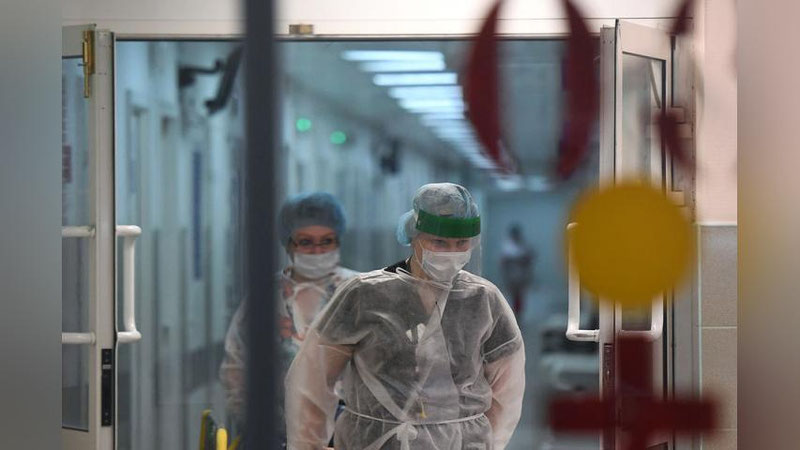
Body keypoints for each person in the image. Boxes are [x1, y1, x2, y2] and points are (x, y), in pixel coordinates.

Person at [286, 182, 525, 450]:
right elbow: (312, 378)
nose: (451, 253)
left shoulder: (484, 299)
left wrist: (488, 443)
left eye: (461, 243)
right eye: (439, 242)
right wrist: (308, 445)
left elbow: (508, 391)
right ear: (414, 235)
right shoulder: (364, 294)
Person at [219, 192, 358, 445]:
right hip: (277, 433)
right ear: (288, 244)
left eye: (326, 241)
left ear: (338, 241)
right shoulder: (265, 297)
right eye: (305, 242)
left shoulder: (359, 291)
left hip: (349, 434)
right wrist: (258, 423)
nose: (317, 251)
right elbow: (236, 366)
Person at [499, 223, 535, 320]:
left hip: (521, 275)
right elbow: (505, 261)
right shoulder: (508, 246)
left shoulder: (523, 244)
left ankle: (518, 316)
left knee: (519, 296)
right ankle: (513, 316)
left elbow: (529, 258)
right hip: (511, 275)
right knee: (512, 296)